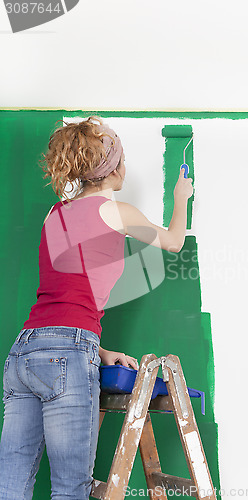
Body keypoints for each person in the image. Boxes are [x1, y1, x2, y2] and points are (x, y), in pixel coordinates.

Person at [0, 115, 193, 499]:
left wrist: (99, 350)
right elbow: (173, 241)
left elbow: (62, 298)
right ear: (113, 167)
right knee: (71, 488)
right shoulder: (117, 212)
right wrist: (181, 197)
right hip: (68, 353)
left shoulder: (54, 214)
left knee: (11, 485)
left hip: (24, 351)